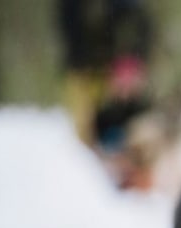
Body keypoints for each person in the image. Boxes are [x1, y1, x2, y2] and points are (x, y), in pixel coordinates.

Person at [57, 0, 157, 190]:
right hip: (88, 65)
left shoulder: (141, 106)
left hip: (107, 61)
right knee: (89, 130)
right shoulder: (104, 114)